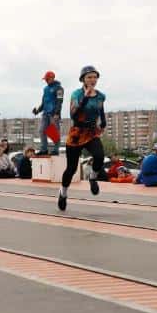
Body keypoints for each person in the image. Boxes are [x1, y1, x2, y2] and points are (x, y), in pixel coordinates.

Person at [58, 66, 107, 210]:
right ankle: (63, 192)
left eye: (94, 77)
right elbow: (73, 114)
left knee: (99, 156)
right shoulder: (76, 94)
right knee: (71, 169)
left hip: (91, 132)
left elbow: (101, 110)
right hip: (76, 134)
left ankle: (92, 177)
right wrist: (85, 97)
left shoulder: (100, 96)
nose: (92, 80)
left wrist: (103, 122)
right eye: (89, 77)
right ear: (83, 80)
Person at [33, 71, 64, 156]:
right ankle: (44, 149)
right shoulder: (45, 89)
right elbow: (43, 102)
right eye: (45, 79)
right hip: (45, 113)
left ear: (52, 78)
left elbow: (59, 101)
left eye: (47, 79)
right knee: (42, 130)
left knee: (54, 132)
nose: (46, 81)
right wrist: (37, 111)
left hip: (54, 113)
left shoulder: (59, 88)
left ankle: (56, 150)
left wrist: (57, 113)